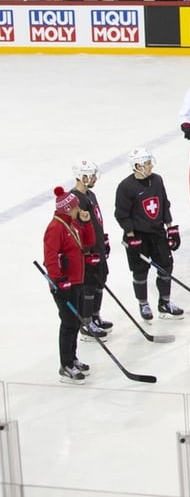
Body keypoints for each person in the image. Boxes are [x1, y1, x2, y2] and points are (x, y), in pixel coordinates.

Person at [114, 148, 184, 321]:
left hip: (158, 232)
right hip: (139, 236)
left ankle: (165, 302)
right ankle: (143, 304)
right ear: (137, 166)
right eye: (147, 163)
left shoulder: (157, 180)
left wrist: (171, 228)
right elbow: (122, 213)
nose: (150, 166)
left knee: (166, 266)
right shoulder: (126, 187)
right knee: (140, 271)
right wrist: (131, 236)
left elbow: (164, 204)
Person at [43, 186, 95, 382]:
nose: (77, 209)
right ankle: (65, 365)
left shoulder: (71, 223)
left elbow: (87, 242)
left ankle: (72, 358)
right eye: (74, 207)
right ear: (66, 208)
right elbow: (50, 257)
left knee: (75, 322)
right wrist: (58, 280)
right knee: (68, 323)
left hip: (77, 281)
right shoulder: (55, 228)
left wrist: (87, 222)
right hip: (64, 286)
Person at [70, 159, 113, 340]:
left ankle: (95, 315)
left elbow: (95, 221)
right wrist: (86, 251)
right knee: (89, 285)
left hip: (98, 249)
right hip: (88, 253)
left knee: (100, 280)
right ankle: (86, 323)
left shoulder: (90, 195)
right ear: (83, 176)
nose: (95, 178)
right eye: (92, 175)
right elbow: (77, 229)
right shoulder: (74, 200)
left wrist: (102, 240)